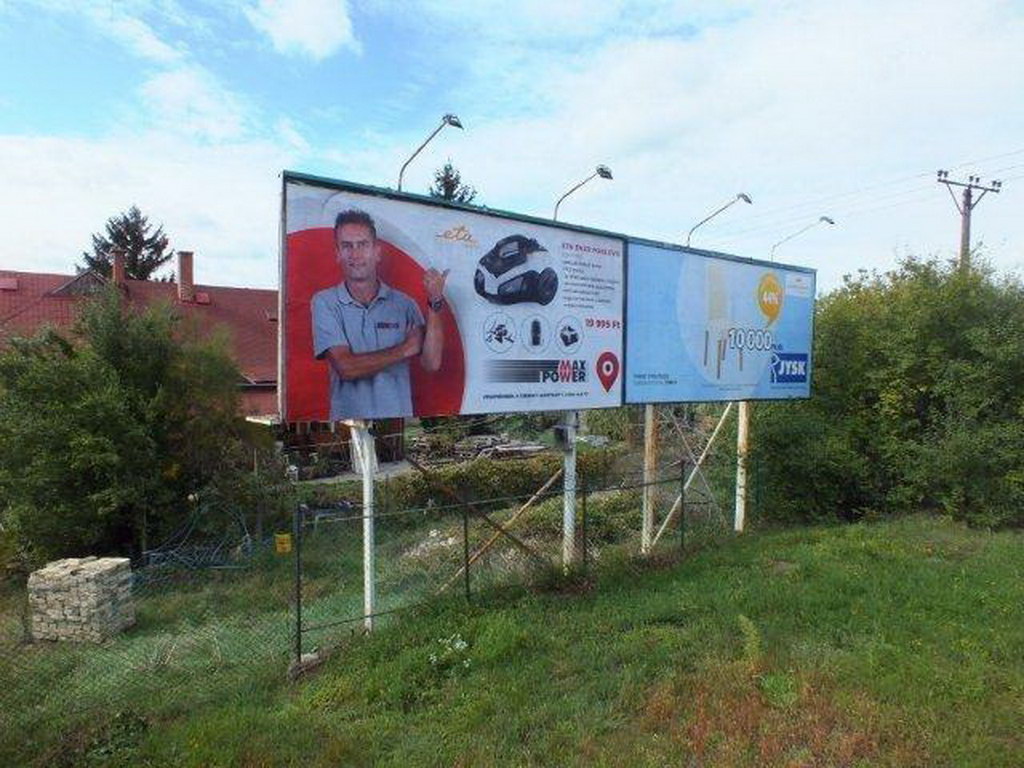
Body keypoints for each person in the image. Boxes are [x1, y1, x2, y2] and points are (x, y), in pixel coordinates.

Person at [311, 209, 448, 420]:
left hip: (397, 424)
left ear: (377, 252)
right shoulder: (325, 302)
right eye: (347, 246)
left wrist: (435, 300)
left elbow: (432, 363)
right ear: (337, 253)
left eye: (363, 244)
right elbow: (346, 367)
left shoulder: (405, 304)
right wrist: (405, 349)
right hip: (348, 427)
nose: (355, 254)